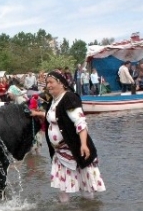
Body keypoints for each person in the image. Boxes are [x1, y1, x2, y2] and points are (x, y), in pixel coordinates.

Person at [30, 71, 105, 203]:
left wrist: (83, 144)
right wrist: (37, 113)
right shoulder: (53, 101)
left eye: (51, 82)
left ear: (62, 84)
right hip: (59, 152)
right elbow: (56, 117)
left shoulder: (69, 98)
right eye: (47, 83)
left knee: (85, 187)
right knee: (62, 187)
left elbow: (80, 122)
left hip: (75, 149)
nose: (48, 86)